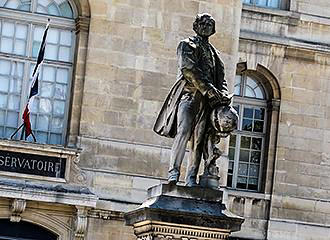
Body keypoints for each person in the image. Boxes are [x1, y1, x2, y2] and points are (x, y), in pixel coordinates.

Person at [153, 13, 232, 186]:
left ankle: (191, 178)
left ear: (213, 29)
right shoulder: (186, 45)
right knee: (183, 132)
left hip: (207, 102)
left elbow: (221, 78)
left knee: (199, 139)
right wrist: (210, 90)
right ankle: (173, 173)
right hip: (190, 96)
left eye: (209, 24)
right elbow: (189, 70)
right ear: (195, 27)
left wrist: (223, 95)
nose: (206, 26)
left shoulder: (215, 54)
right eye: (202, 23)